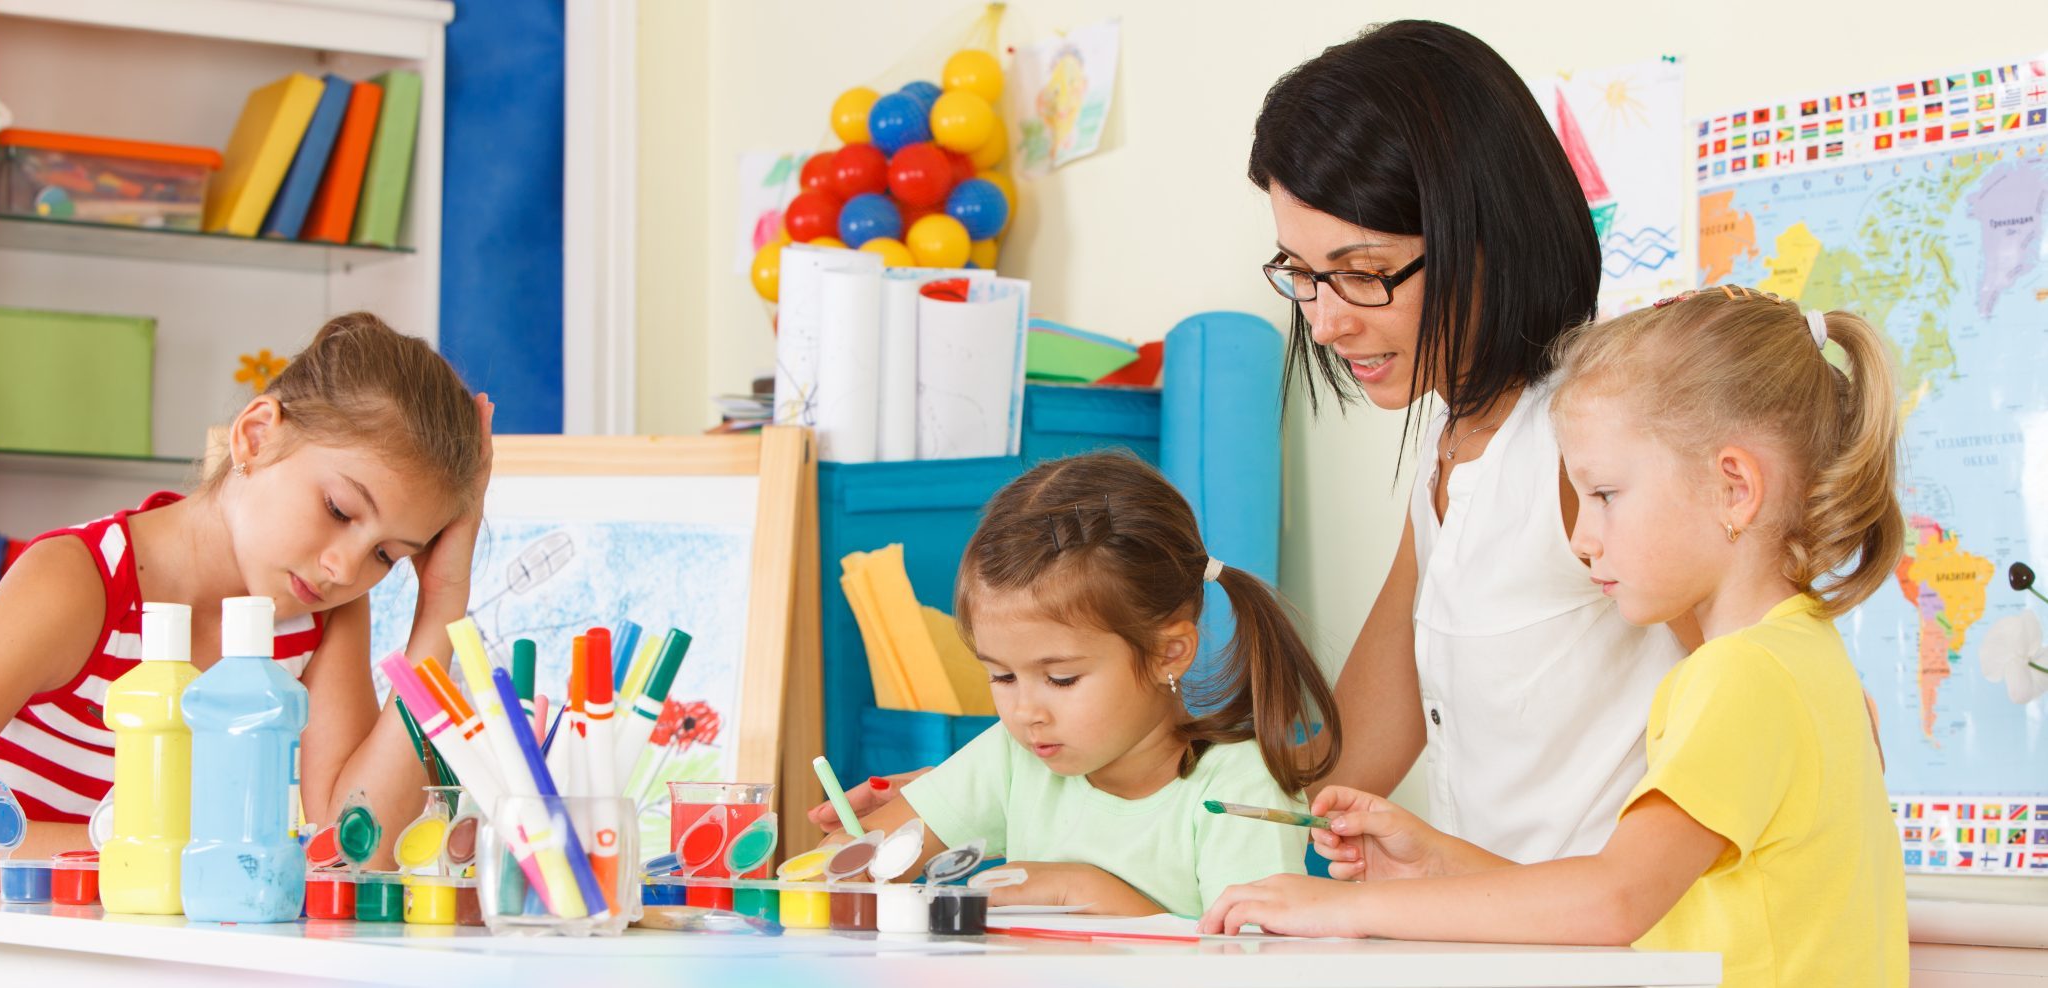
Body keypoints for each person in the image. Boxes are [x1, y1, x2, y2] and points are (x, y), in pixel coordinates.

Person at [815, 18, 1693, 868]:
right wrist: (990, 788)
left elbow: (1737, 710)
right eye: (1303, 274)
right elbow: (1326, 770)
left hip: (1621, 945)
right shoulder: (1454, 445)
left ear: (1482, 236)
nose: (1328, 319)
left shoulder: (1593, 449)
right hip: (1500, 938)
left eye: (1360, 272)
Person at [1200, 286, 1909, 987]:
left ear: (1734, 488)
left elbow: (1615, 900)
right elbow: (1644, 909)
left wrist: (1348, 910)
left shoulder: (1743, 680)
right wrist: (1437, 861)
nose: (1581, 538)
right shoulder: (1803, 655)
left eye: (1603, 496)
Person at [0, 313, 491, 883]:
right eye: (339, 510)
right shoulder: (78, 581)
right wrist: (158, 855)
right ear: (256, 435)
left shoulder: (321, 616)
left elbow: (358, 849)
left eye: (387, 555)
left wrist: (443, 600)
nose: (344, 567)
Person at [841, 453, 1341, 916]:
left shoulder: (1236, 789)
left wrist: (1083, 889)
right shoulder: (1015, 760)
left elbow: (1252, 965)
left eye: (1061, 678)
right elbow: (844, 868)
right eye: (1002, 675)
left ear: (1169, 653)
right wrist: (849, 860)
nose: (1026, 711)